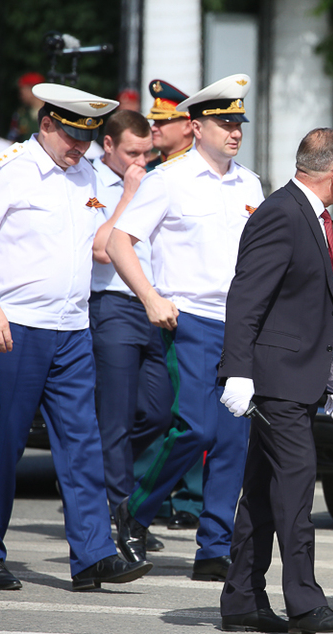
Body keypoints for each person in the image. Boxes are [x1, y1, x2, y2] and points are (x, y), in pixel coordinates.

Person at [0, 83, 152, 591]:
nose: (80, 147)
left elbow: (99, 244)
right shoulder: (8, 170)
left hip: (71, 326)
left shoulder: (86, 172)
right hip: (16, 324)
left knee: (82, 444)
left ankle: (93, 554)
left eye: (87, 138)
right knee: (1, 444)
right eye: (71, 136)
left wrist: (129, 198)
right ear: (46, 123)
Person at [106, 74, 263, 582]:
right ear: (195, 126)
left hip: (240, 323)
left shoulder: (251, 183)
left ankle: (214, 546)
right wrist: (150, 296)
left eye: (238, 122)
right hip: (189, 318)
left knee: (233, 438)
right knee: (193, 426)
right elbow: (118, 241)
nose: (234, 132)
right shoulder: (168, 178)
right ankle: (135, 510)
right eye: (223, 123)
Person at [218, 127, 333, 634]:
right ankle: (305, 603)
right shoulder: (282, 213)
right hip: (275, 381)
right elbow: (246, 297)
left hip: (298, 378)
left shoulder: (315, 217)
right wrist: (235, 371)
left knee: (261, 492)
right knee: (297, 490)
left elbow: (315, 307)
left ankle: (241, 599)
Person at [88, 110, 173, 543]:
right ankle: (122, 515)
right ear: (109, 147)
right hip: (111, 305)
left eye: (147, 151)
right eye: (131, 152)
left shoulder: (156, 179)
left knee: (159, 412)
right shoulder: (91, 182)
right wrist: (128, 194)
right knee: (116, 418)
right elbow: (103, 250)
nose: (141, 160)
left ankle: (108, 483)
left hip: (150, 305)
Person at [137, 78, 204, 531]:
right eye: (154, 120)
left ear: (189, 126)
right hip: (157, 307)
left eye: (165, 121)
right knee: (160, 412)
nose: (155, 128)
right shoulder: (159, 174)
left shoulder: (205, 174)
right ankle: (149, 499)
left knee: (196, 416)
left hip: (196, 311)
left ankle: (193, 500)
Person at [145, 79, 192, 171]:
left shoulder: (201, 168)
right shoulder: (146, 170)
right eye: (154, 121)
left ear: (188, 127)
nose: (153, 128)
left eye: (162, 121)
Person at [6, 72, 44, 142]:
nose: (20, 95)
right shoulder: (20, 114)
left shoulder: (50, 112)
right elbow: (12, 138)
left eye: (22, 90)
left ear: (32, 89)